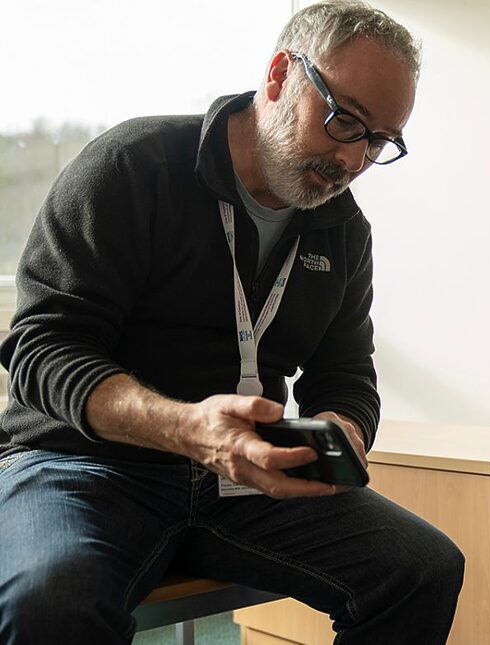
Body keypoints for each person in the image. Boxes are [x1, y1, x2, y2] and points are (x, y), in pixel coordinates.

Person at [0, 2, 464, 643]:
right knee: (54, 603)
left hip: (243, 482)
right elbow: (42, 349)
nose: (355, 160)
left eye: (380, 141)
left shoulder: (344, 229)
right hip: (83, 464)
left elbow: (347, 373)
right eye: (345, 120)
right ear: (279, 76)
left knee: (425, 569)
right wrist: (189, 428)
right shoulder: (134, 166)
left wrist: (342, 431)